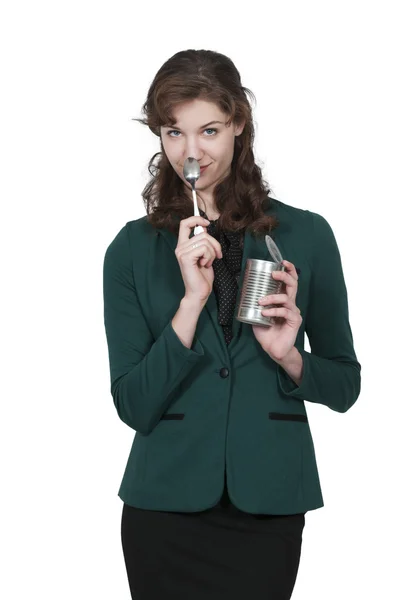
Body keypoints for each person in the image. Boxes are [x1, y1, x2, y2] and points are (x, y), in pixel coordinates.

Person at [102, 49, 361, 600]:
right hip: (163, 508)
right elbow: (132, 404)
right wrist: (191, 303)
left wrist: (291, 356)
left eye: (209, 130)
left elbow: (344, 386)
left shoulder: (308, 235)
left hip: (267, 503)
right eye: (173, 132)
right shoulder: (131, 249)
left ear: (239, 123)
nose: (190, 152)